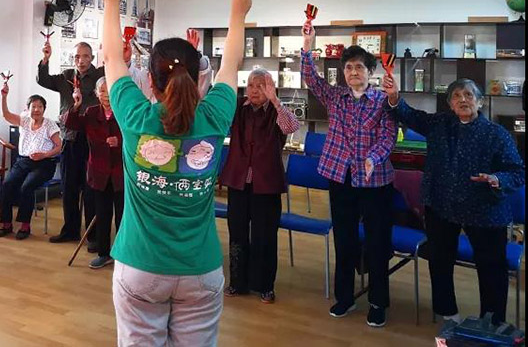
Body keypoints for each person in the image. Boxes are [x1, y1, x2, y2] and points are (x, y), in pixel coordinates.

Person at [100, 0, 251, 347]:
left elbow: (112, 57)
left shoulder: (135, 117)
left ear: (150, 82)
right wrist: (237, 13)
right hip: (200, 269)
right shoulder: (215, 116)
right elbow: (232, 63)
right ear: (199, 76)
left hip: (140, 266)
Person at [383, 75, 524, 324]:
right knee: (439, 259)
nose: (463, 100)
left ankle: (491, 323)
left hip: (483, 209)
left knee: (491, 267)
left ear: (480, 102)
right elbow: (410, 115)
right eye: (456, 96)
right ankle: (448, 313)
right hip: (442, 204)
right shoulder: (440, 124)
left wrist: (496, 178)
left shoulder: (496, 134)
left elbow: (517, 171)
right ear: (450, 104)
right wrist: (394, 96)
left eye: (469, 95)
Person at [301, 29, 397, 328]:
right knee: (344, 240)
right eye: (349, 67)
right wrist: (307, 45)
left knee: (377, 242)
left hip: (374, 181)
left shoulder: (383, 100)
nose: (354, 72)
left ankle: (378, 302)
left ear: (371, 72)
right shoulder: (335, 96)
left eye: (359, 67)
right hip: (340, 176)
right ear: (343, 73)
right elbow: (311, 78)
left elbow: (389, 136)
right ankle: (345, 297)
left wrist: (373, 158)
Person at [219, 68, 300, 303]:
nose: (254, 91)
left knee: (265, 235)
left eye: (261, 86)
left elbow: (291, 127)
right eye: (251, 86)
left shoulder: (277, 110)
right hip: (238, 181)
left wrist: (275, 100)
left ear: (271, 88)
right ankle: (237, 282)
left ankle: (265, 285)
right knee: (237, 233)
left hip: (266, 184)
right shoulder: (238, 107)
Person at [38, 40, 103, 245]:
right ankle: (70, 230)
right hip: (70, 138)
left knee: (91, 189)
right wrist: (46, 58)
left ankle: (93, 236)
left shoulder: (100, 76)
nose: (80, 61)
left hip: (92, 140)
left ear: (92, 58)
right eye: (76, 57)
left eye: (85, 56)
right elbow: (43, 79)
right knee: (69, 187)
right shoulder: (66, 77)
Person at [65, 76, 124, 270]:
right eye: (103, 91)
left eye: (110, 90)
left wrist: (120, 142)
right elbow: (72, 124)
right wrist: (76, 105)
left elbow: (137, 137)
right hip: (99, 172)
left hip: (120, 173)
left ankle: (122, 256)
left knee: (122, 216)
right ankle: (103, 254)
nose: (106, 95)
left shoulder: (124, 111)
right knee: (102, 214)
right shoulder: (91, 112)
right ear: (97, 94)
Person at [0, 87, 61, 240]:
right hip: (24, 161)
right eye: (34, 106)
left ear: (44, 109)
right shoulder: (24, 120)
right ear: (28, 108)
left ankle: (25, 225)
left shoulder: (50, 124)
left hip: (44, 164)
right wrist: (4, 97)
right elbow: (6, 115)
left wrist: (44, 155)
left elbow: (59, 146)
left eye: (40, 107)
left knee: (27, 187)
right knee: (7, 184)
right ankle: (6, 224)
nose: (36, 110)